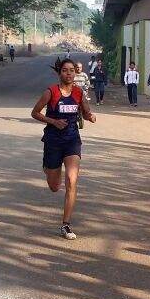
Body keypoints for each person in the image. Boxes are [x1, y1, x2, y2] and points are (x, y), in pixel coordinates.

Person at [30, 59, 96, 240]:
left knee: (71, 181)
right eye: (65, 71)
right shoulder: (50, 92)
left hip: (72, 140)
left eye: (72, 71)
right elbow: (35, 113)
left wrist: (90, 116)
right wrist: (53, 122)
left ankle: (66, 225)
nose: (69, 74)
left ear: (75, 73)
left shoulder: (79, 93)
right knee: (54, 186)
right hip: (53, 140)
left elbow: (85, 111)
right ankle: (48, 166)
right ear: (60, 73)